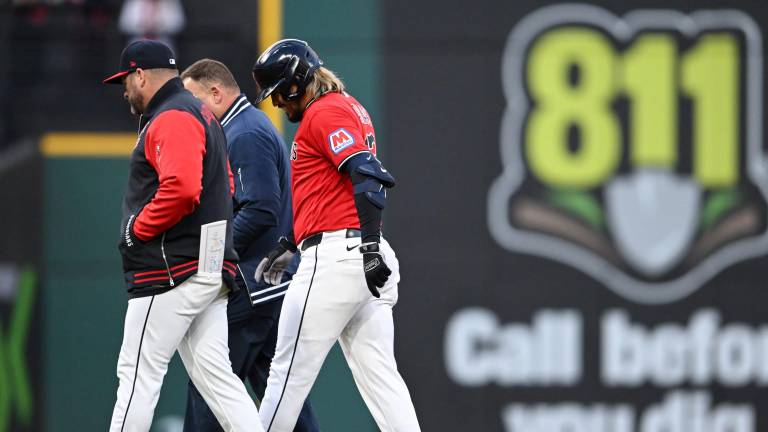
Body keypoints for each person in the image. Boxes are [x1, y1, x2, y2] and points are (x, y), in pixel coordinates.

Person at [252, 39, 422, 432]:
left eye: (277, 91)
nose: (276, 102)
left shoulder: (323, 112)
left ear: (295, 83)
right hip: (353, 258)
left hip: (338, 260)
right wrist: (291, 240)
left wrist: (369, 245)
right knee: (383, 382)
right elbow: (333, 190)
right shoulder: (344, 107)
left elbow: (367, 175)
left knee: (284, 378)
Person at [103, 40, 263, 432]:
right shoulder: (202, 113)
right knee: (218, 380)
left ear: (141, 75)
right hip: (205, 267)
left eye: (126, 80)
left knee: (137, 376)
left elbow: (183, 188)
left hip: (170, 269)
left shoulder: (172, 115)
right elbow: (224, 186)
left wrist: (136, 229)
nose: (124, 89)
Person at [179, 59, 320, 432]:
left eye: (193, 100)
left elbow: (260, 209)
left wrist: (210, 261)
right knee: (281, 399)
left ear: (216, 93)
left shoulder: (244, 133)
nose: (189, 111)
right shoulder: (244, 128)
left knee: (210, 385)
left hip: (251, 283)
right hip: (268, 283)